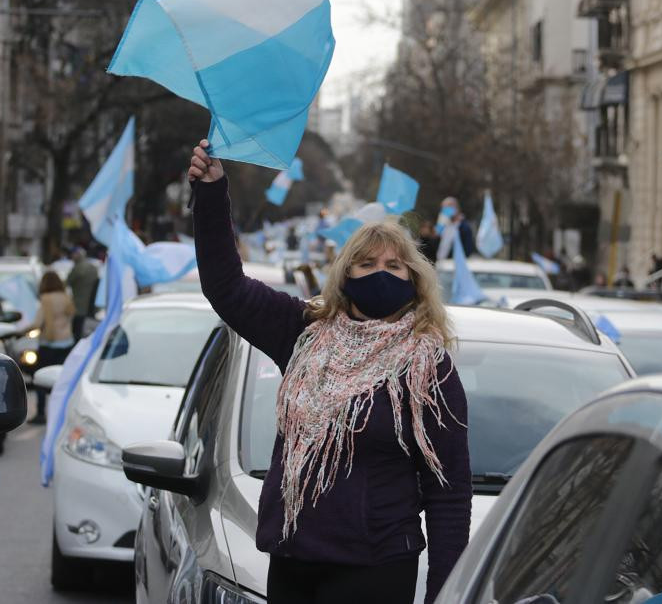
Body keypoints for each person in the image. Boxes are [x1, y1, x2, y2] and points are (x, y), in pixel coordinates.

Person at [188, 139, 471, 604]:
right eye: (366, 263)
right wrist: (212, 193)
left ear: (414, 278)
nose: (380, 272)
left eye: (393, 265)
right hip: (293, 564)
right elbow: (225, 285)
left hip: (375, 572)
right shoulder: (303, 332)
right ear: (345, 275)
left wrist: (445, 594)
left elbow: (450, 493)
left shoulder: (428, 367)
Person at [28, 271, 76, 423]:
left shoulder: (45, 300)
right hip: (67, 342)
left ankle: (41, 413)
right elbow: (71, 317)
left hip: (49, 344)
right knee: (64, 379)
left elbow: (37, 323)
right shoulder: (66, 298)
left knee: (42, 378)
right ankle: (65, 412)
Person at [65, 247, 99, 341]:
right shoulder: (92, 267)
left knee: (77, 331)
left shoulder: (78, 268)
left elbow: (68, 282)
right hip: (90, 305)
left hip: (79, 305)